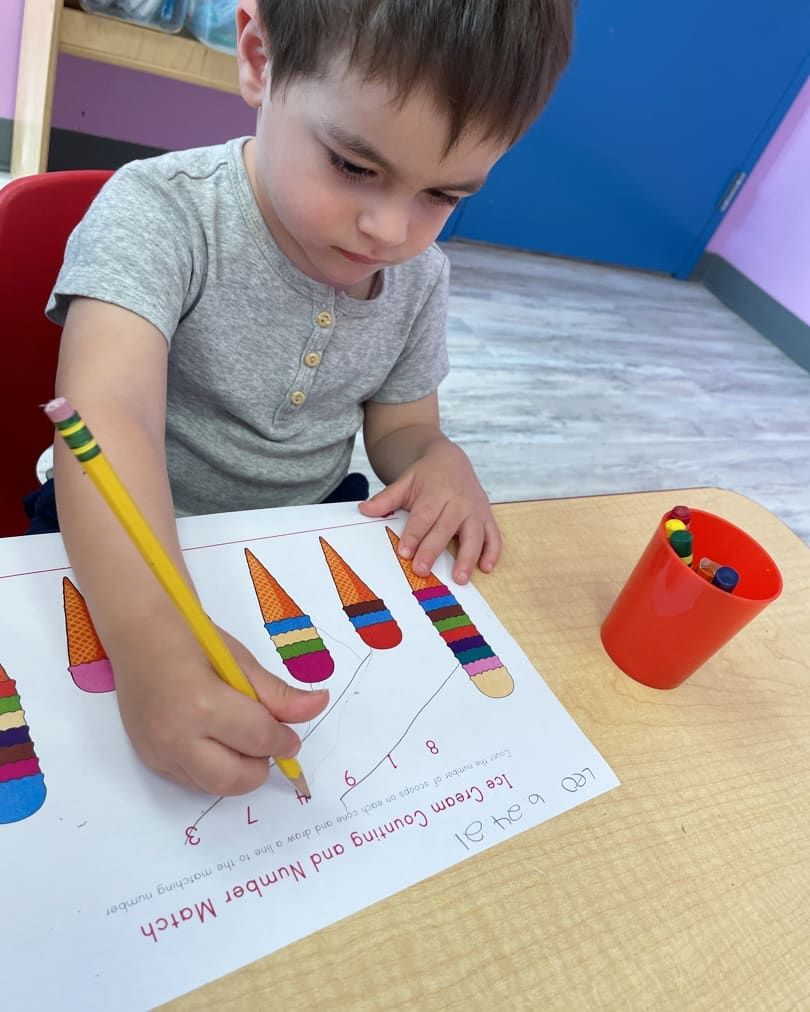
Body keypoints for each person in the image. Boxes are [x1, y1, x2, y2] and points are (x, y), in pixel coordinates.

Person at [46, 0, 574, 795]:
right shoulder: (159, 214)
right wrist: (150, 639)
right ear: (259, 58)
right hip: (117, 540)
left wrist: (437, 457)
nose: (390, 229)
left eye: (444, 196)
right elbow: (107, 419)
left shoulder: (419, 278)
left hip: (301, 536)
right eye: (356, 168)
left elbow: (402, 426)